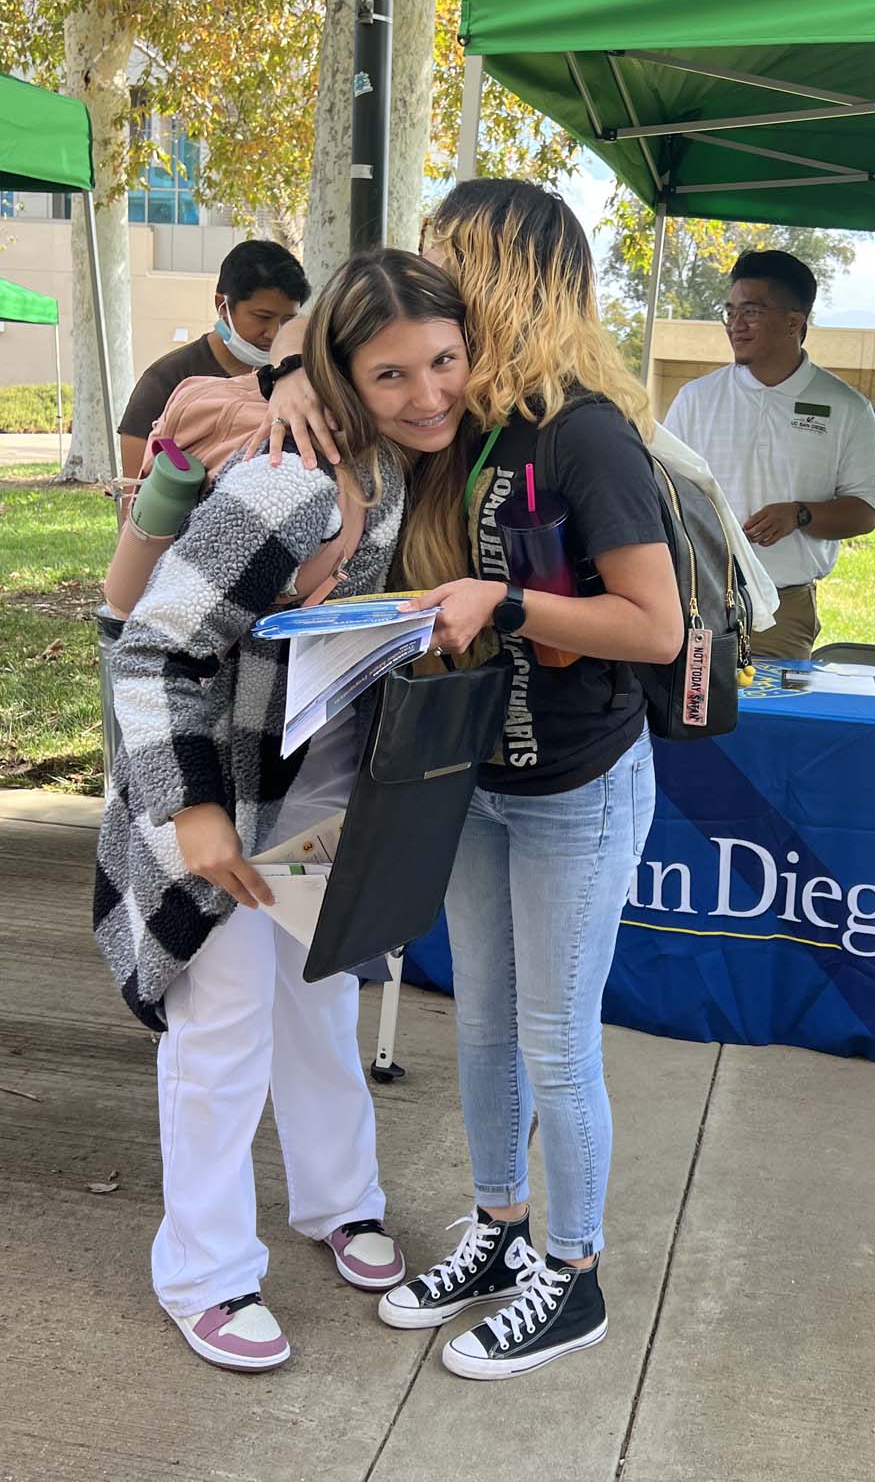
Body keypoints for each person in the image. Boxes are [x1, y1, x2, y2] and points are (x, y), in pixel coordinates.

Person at [266, 178, 683, 1381]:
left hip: (578, 789)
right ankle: (502, 1234)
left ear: (503, 274)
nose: (429, 271)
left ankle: (577, 1273)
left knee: (556, 1041)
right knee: (485, 1033)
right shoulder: (472, 426)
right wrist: (288, 374)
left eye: (449, 254)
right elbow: (341, 330)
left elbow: (653, 628)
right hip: (479, 778)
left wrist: (505, 601)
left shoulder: (586, 431)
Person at [93, 250, 476, 1372]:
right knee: (220, 1034)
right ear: (346, 380)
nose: (429, 393)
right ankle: (205, 1272)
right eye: (393, 374)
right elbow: (153, 648)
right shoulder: (290, 481)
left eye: (443, 362)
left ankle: (338, 1200)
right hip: (218, 792)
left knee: (320, 1004)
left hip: (317, 790)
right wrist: (194, 818)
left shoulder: (399, 462)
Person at [663, 250, 875, 660]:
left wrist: (799, 514)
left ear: (793, 322)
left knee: (770, 722)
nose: (735, 325)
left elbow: (865, 511)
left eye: (751, 311)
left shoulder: (845, 407)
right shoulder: (696, 399)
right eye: (729, 312)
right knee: (687, 721)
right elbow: (662, 492)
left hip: (782, 613)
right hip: (695, 601)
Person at [116, 238, 309, 478]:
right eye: (262, 316)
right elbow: (134, 499)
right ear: (222, 305)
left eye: (287, 321)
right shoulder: (165, 381)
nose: (274, 333)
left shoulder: (295, 377)